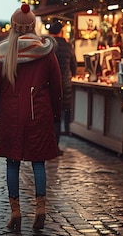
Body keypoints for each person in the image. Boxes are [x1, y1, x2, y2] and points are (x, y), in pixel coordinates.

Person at [0, 4, 62, 232]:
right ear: (33, 25)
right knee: (38, 162)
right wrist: (56, 112)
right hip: (38, 111)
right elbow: (56, 85)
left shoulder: (4, 51)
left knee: (12, 163)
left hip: (11, 112)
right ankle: (40, 207)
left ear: (13, 26)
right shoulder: (44, 50)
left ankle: (15, 212)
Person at [48, 21, 77, 155]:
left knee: (46, 115)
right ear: (61, 31)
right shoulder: (67, 46)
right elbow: (73, 66)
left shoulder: (47, 45)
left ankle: (46, 145)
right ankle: (55, 146)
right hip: (64, 85)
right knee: (57, 116)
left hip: (48, 85)